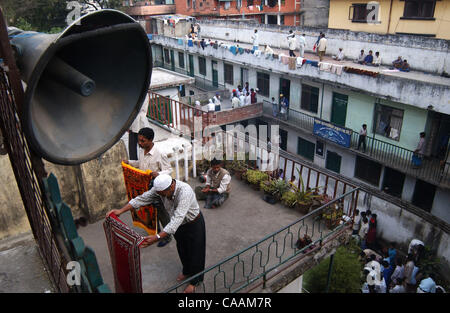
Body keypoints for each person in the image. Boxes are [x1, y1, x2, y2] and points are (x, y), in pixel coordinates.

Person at [106, 174, 206, 293]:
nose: (161, 196)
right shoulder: (159, 190)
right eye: (159, 193)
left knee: (196, 252)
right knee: (182, 248)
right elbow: (142, 198)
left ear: (171, 186)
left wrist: (158, 237)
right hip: (178, 225)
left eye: (163, 194)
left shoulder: (185, 191)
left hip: (193, 223)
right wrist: (120, 211)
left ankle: (195, 281)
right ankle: (187, 271)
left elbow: (177, 219)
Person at [124, 127, 173, 248]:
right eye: (139, 140)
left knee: (161, 213)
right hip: (144, 187)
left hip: (157, 189)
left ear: (151, 140)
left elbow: (169, 170)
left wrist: (159, 174)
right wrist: (129, 163)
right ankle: (155, 233)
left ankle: (167, 236)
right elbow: (140, 164)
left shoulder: (160, 153)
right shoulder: (142, 150)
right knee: (150, 212)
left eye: (143, 141)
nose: (140, 143)